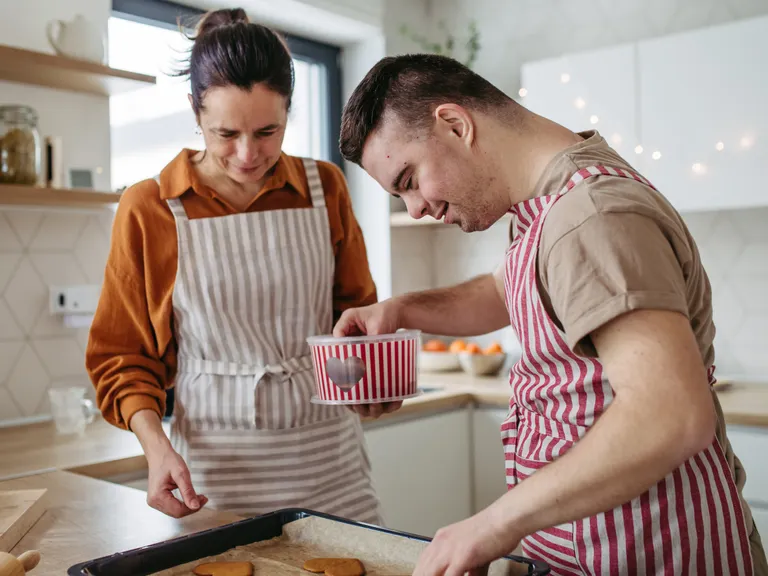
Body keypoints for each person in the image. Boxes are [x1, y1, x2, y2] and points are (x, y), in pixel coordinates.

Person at [334, 54, 768, 575]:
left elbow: (671, 415)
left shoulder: (591, 215)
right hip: (598, 546)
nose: (414, 209)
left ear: (455, 124)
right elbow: (506, 290)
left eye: (408, 179)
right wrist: (401, 309)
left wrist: (493, 524)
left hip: (658, 549)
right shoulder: (544, 206)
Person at [86, 8, 383, 524]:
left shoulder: (324, 188)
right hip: (215, 473)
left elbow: (356, 317)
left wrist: (371, 381)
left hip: (329, 460)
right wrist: (156, 448)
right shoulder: (151, 207)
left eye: (268, 130)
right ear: (194, 111)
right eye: (226, 133)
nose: (248, 155)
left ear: (290, 110)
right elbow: (123, 358)